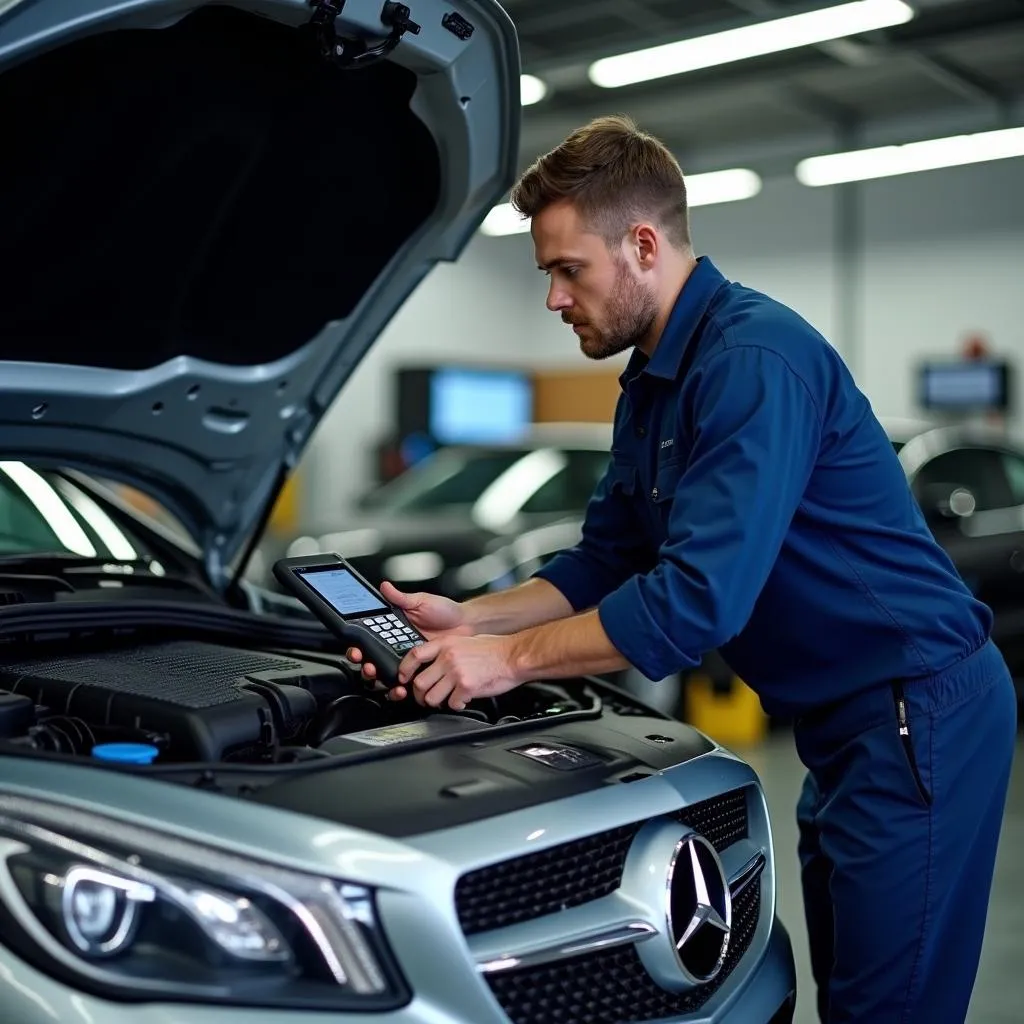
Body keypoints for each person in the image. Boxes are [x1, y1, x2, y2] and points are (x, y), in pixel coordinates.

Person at [348, 115, 1016, 1023]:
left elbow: (694, 603)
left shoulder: (751, 360)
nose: (553, 298)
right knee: (857, 989)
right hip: (842, 718)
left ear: (644, 245)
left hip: (915, 712)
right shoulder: (655, 375)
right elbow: (605, 560)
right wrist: (472, 623)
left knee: (887, 1007)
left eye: (565, 268)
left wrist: (503, 665)